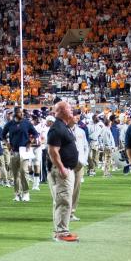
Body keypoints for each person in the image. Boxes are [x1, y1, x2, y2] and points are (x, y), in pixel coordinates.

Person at [46, 101, 80, 242]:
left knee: (62, 200)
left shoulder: (63, 126)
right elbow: (52, 151)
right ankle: (62, 232)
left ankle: (60, 230)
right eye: (68, 108)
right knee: (64, 200)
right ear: (60, 111)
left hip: (66, 168)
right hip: (61, 170)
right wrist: (61, 168)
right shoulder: (57, 128)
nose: (71, 110)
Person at [2, 107, 38, 202]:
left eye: (22, 112)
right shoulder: (9, 124)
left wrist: (30, 142)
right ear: (15, 113)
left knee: (23, 171)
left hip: (24, 150)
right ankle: (17, 193)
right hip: (14, 151)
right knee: (15, 174)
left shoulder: (26, 123)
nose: (22, 114)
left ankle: (26, 192)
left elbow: (35, 134)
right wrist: (7, 143)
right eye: (19, 112)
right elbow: (2, 135)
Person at [70, 110, 90, 222]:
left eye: (78, 116)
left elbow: (86, 147)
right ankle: (64, 212)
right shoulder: (65, 130)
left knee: (76, 189)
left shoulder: (81, 131)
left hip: (79, 164)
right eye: (75, 115)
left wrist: (84, 160)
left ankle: (72, 212)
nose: (77, 117)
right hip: (67, 163)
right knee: (66, 189)